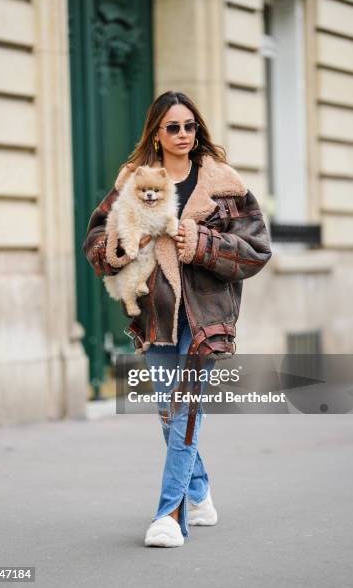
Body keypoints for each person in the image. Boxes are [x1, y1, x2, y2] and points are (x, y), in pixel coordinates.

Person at [82, 90, 272, 547]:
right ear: (157, 132)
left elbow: (257, 251)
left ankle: (170, 514)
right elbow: (95, 240)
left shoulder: (225, 185)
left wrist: (203, 243)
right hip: (156, 316)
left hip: (206, 317)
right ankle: (201, 493)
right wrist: (124, 247)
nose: (183, 135)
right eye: (173, 127)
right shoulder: (135, 180)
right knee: (170, 411)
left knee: (184, 407)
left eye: (190, 126)